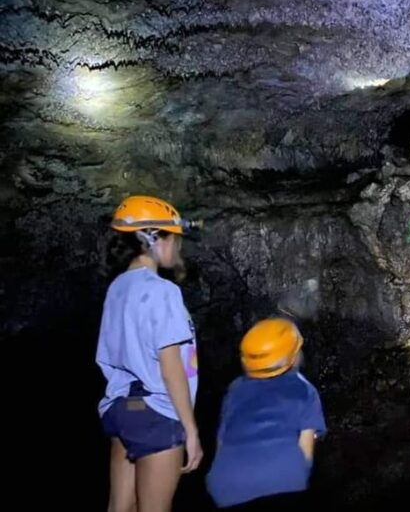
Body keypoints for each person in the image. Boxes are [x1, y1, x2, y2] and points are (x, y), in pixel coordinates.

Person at [96, 195, 203, 512]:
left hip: (119, 409)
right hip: (155, 411)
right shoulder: (163, 291)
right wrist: (191, 431)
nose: (177, 248)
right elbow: (171, 367)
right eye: (173, 239)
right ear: (154, 239)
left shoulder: (117, 288)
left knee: (120, 507)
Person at [206, 318, 326, 510]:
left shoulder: (235, 389)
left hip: (227, 485)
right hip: (283, 480)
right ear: (293, 356)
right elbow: (306, 448)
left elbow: (222, 442)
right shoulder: (304, 390)